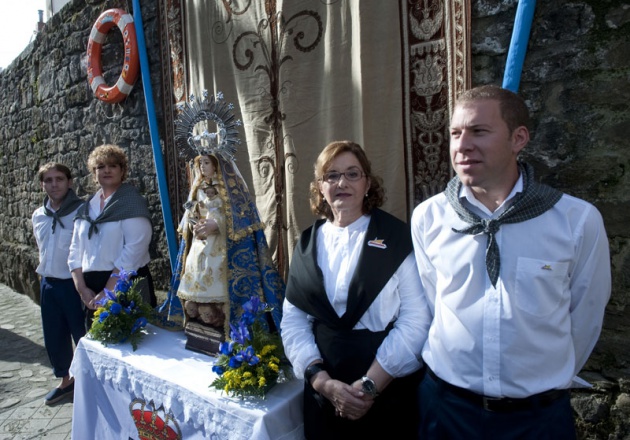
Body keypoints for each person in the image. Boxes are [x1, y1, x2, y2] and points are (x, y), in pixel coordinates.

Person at [410, 85, 611, 439]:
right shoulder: (429, 217)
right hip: (447, 411)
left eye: (479, 131)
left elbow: (586, 316)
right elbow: (433, 299)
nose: (462, 145)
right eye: (455, 133)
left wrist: (538, 379)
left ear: (518, 139)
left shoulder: (576, 221)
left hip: (537, 419)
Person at [281, 140, 432, 439]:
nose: (342, 183)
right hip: (323, 386)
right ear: (320, 187)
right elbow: (294, 318)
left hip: (386, 385)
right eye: (331, 175)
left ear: (367, 183)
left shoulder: (396, 237)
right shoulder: (307, 243)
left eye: (352, 173)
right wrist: (321, 381)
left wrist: (370, 386)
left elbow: (416, 319)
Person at [69, 144, 155, 322]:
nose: (106, 170)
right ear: (94, 173)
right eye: (100, 167)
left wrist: (108, 292)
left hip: (126, 283)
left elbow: (133, 251)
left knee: (132, 345)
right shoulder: (85, 210)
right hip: (91, 289)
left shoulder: (131, 204)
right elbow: (75, 252)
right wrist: (82, 290)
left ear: (122, 171)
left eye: (113, 166)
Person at [31, 163, 86, 405]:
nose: (54, 185)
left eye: (59, 179)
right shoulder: (38, 215)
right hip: (49, 284)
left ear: (70, 182)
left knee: (83, 335)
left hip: (75, 285)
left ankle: (91, 383)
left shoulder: (83, 211)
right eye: (49, 180)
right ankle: (66, 381)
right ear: (43, 184)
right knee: (54, 335)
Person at [177, 154, 228, 330]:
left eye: (207, 163)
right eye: (200, 163)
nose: (202, 167)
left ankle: (220, 319)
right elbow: (191, 214)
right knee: (196, 270)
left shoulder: (228, 187)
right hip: (201, 242)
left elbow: (239, 215)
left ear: (216, 165)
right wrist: (194, 226)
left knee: (215, 272)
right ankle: (198, 318)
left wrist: (217, 223)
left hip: (220, 243)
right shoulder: (198, 187)